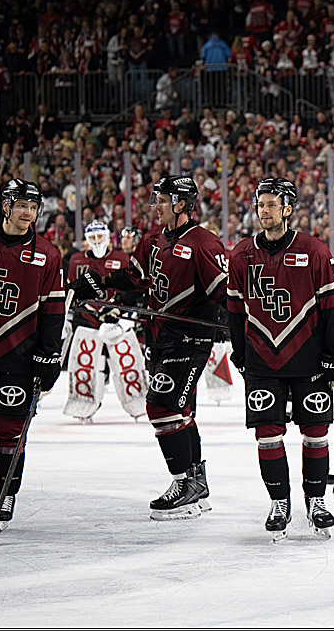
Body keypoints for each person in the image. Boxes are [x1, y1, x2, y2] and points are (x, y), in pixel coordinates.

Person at [69, 176, 227, 520]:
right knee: (182, 411)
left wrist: (234, 325)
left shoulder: (204, 243)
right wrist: (101, 283)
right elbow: (134, 278)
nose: (156, 206)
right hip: (159, 336)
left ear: (182, 204)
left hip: (190, 338)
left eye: (163, 200)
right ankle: (196, 485)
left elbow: (223, 292)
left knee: (159, 406)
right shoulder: (152, 239)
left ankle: (183, 483)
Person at [226, 178, 334, 539]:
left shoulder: (314, 251)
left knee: (315, 431)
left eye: (271, 204)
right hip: (262, 359)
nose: (264, 210)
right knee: (267, 433)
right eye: (260, 204)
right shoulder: (241, 254)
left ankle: (316, 500)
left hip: (310, 360)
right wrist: (240, 352)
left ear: (287, 208)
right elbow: (234, 308)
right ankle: (279, 502)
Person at [0, 179, 64, 532]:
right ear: (6, 206)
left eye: (33, 207)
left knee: (11, 432)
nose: (28, 213)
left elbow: (54, 310)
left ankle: (6, 493)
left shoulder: (48, 254)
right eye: (22, 205)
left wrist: (49, 354)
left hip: (20, 355)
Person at [64, 220, 142, 423]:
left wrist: (120, 313)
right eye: (93, 237)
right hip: (86, 320)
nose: (97, 241)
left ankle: (137, 400)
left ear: (108, 238)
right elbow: (71, 291)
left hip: (115, 319)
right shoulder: (76, 260)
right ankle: (83, 402)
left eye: (100, 237)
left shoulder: (122, 258)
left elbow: (132, 289)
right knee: (86, 363)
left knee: (127, 361)